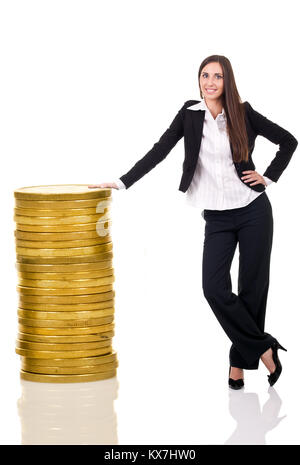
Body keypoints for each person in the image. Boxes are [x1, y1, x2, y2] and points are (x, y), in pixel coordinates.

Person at [89, 55, 298, 389]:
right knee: (213, 288)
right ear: (198, 80)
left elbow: (289, 141)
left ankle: (237, 366)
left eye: (217, 77)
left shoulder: (243, 113)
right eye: (205, 76)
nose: (210, 82)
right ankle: (264, 347)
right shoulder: (189, 114)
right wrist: (121, 181)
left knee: (251, 291)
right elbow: (159, 150)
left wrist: (268, 178)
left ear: (227, 81)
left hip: (253, 210)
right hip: (216, 217)